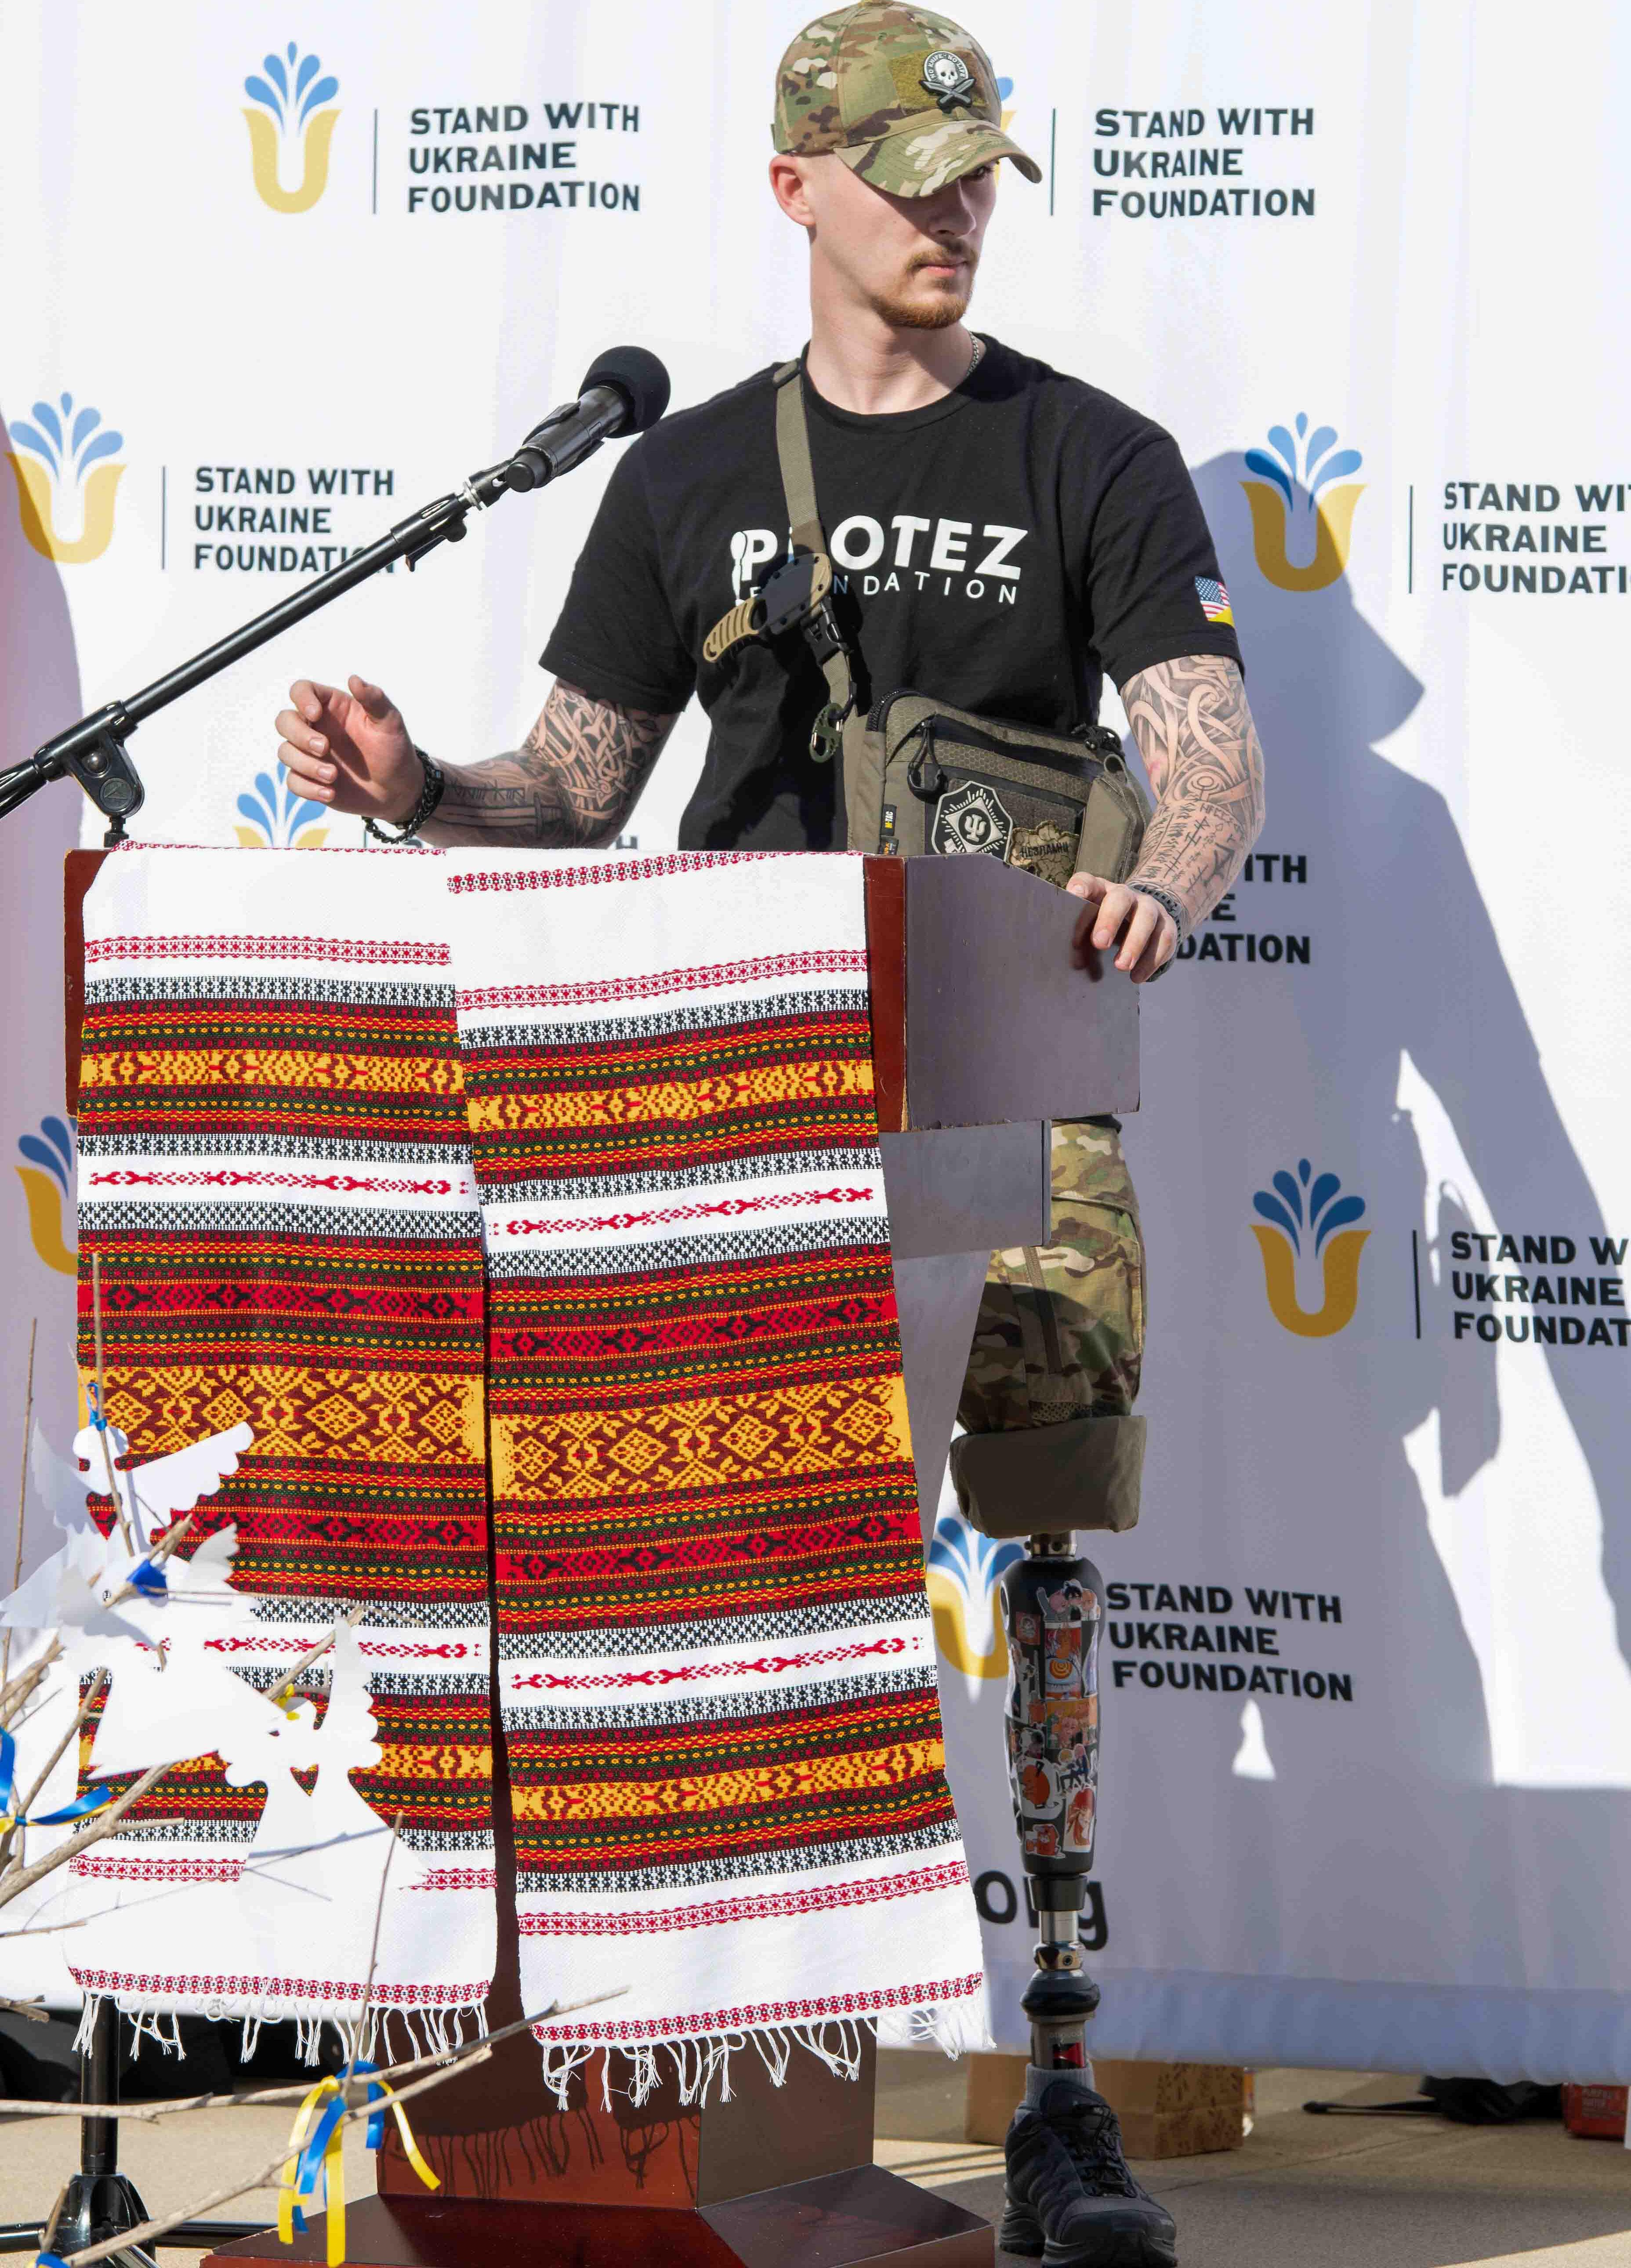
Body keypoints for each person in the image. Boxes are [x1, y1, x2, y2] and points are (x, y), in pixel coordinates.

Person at [274, 7, 1265, 2260]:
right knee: (741, 1583)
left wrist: (1168, 881)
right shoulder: (689, 470)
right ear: (795, 186)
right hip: (736, 1116)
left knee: (1049, 1556)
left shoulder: (1090, 452)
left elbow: (1206, 747)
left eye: (975, 171)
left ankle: (1061, 2078)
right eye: (907, 172)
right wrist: (422, 790)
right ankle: (721, 2058)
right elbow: (572, 788)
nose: (951, 210)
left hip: (1016, 1095)